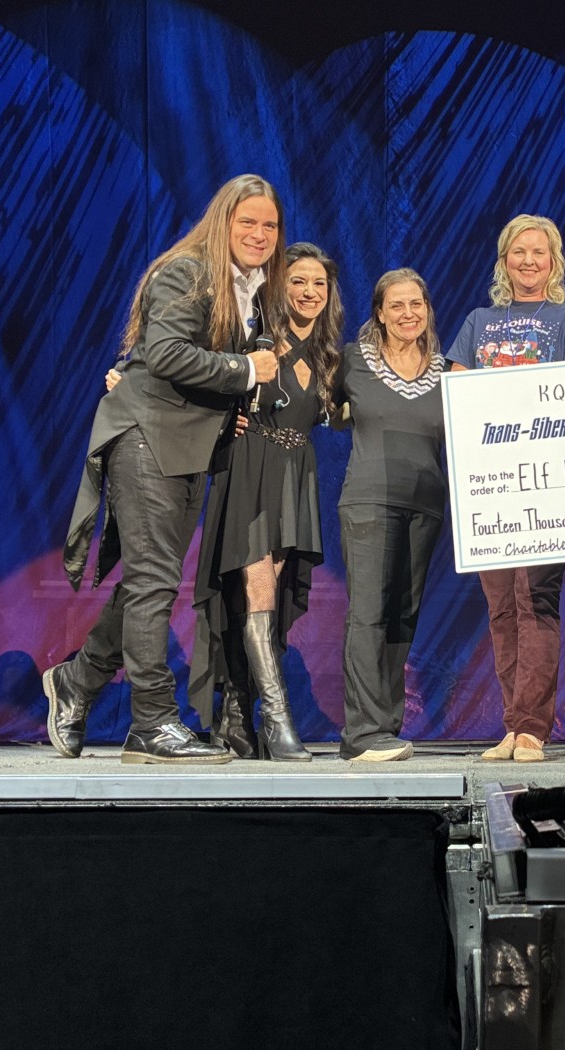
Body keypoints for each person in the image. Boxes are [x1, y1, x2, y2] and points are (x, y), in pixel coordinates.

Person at [45, 175, 286, 764]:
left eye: (270, 225)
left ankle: (77, 681)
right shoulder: (187, 272)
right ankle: (151, 722)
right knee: (153, 580)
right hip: (147, 436)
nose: (259, 234)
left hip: (186, 447)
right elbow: (167, 353)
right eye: (248, 222)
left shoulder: (250, 289)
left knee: (147, 581)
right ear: (223, 222)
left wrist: (230, 409)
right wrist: (245, 371)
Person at [186, 241, 342, 762]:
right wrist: (129, 371)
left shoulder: (328, 356)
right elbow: (199, 367)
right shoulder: (257, 340)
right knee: (256, 589)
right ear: (279, 287)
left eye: (319, 283)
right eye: (298, 281)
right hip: (250, 467)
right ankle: (278, 721)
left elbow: (349, 410)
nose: (310, 291)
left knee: (260, 597)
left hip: (294, 476)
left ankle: (235, 716)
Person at [445, 214, 565, 762]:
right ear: (503, 261)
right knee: (502, 606)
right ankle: (513, 723)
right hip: (490, 485)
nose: (528, 261)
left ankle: (533, 726)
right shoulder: (479, 321)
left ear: (554, 262)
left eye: (539, 252)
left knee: (537, 601)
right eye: (518, 252)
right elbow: (458, 392)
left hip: (546, 483)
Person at [335, 269, 446, 762]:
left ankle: (386, 727)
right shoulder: (353, 360)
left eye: (416, 304)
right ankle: (362, 732)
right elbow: (311, 402)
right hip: (368, 501)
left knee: (403, 615)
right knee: (369, 614)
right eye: (396, 305)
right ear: (379, 312)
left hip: (426, 506)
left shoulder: (447, 371)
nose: (407, 314)